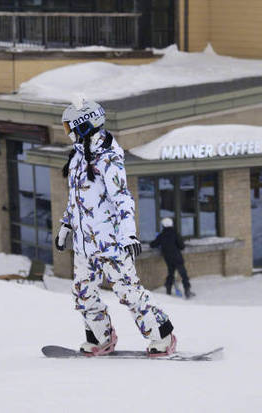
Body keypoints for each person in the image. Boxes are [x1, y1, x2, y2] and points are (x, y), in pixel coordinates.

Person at [55, 97, 176, 357]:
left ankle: (162, 335)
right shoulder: (77, 157)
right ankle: (101, 337)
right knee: (82, 292)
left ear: (85, 125)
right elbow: (76, 198)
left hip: (110, 243)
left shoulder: (108, 159)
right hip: (84, 244)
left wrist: (128, 234)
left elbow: (122, 198)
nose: (69, 133)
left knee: (127, 291)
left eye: (71, 127)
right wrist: (66, 225)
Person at [150, 217, 193, 298]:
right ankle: (187, 290)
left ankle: (168, 289)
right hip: (177, 257)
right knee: (183, 274)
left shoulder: (161, 235)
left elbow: (153, 244)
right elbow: (182, 246)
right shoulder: (175, 233)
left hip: (168, 258)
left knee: (171, 273)